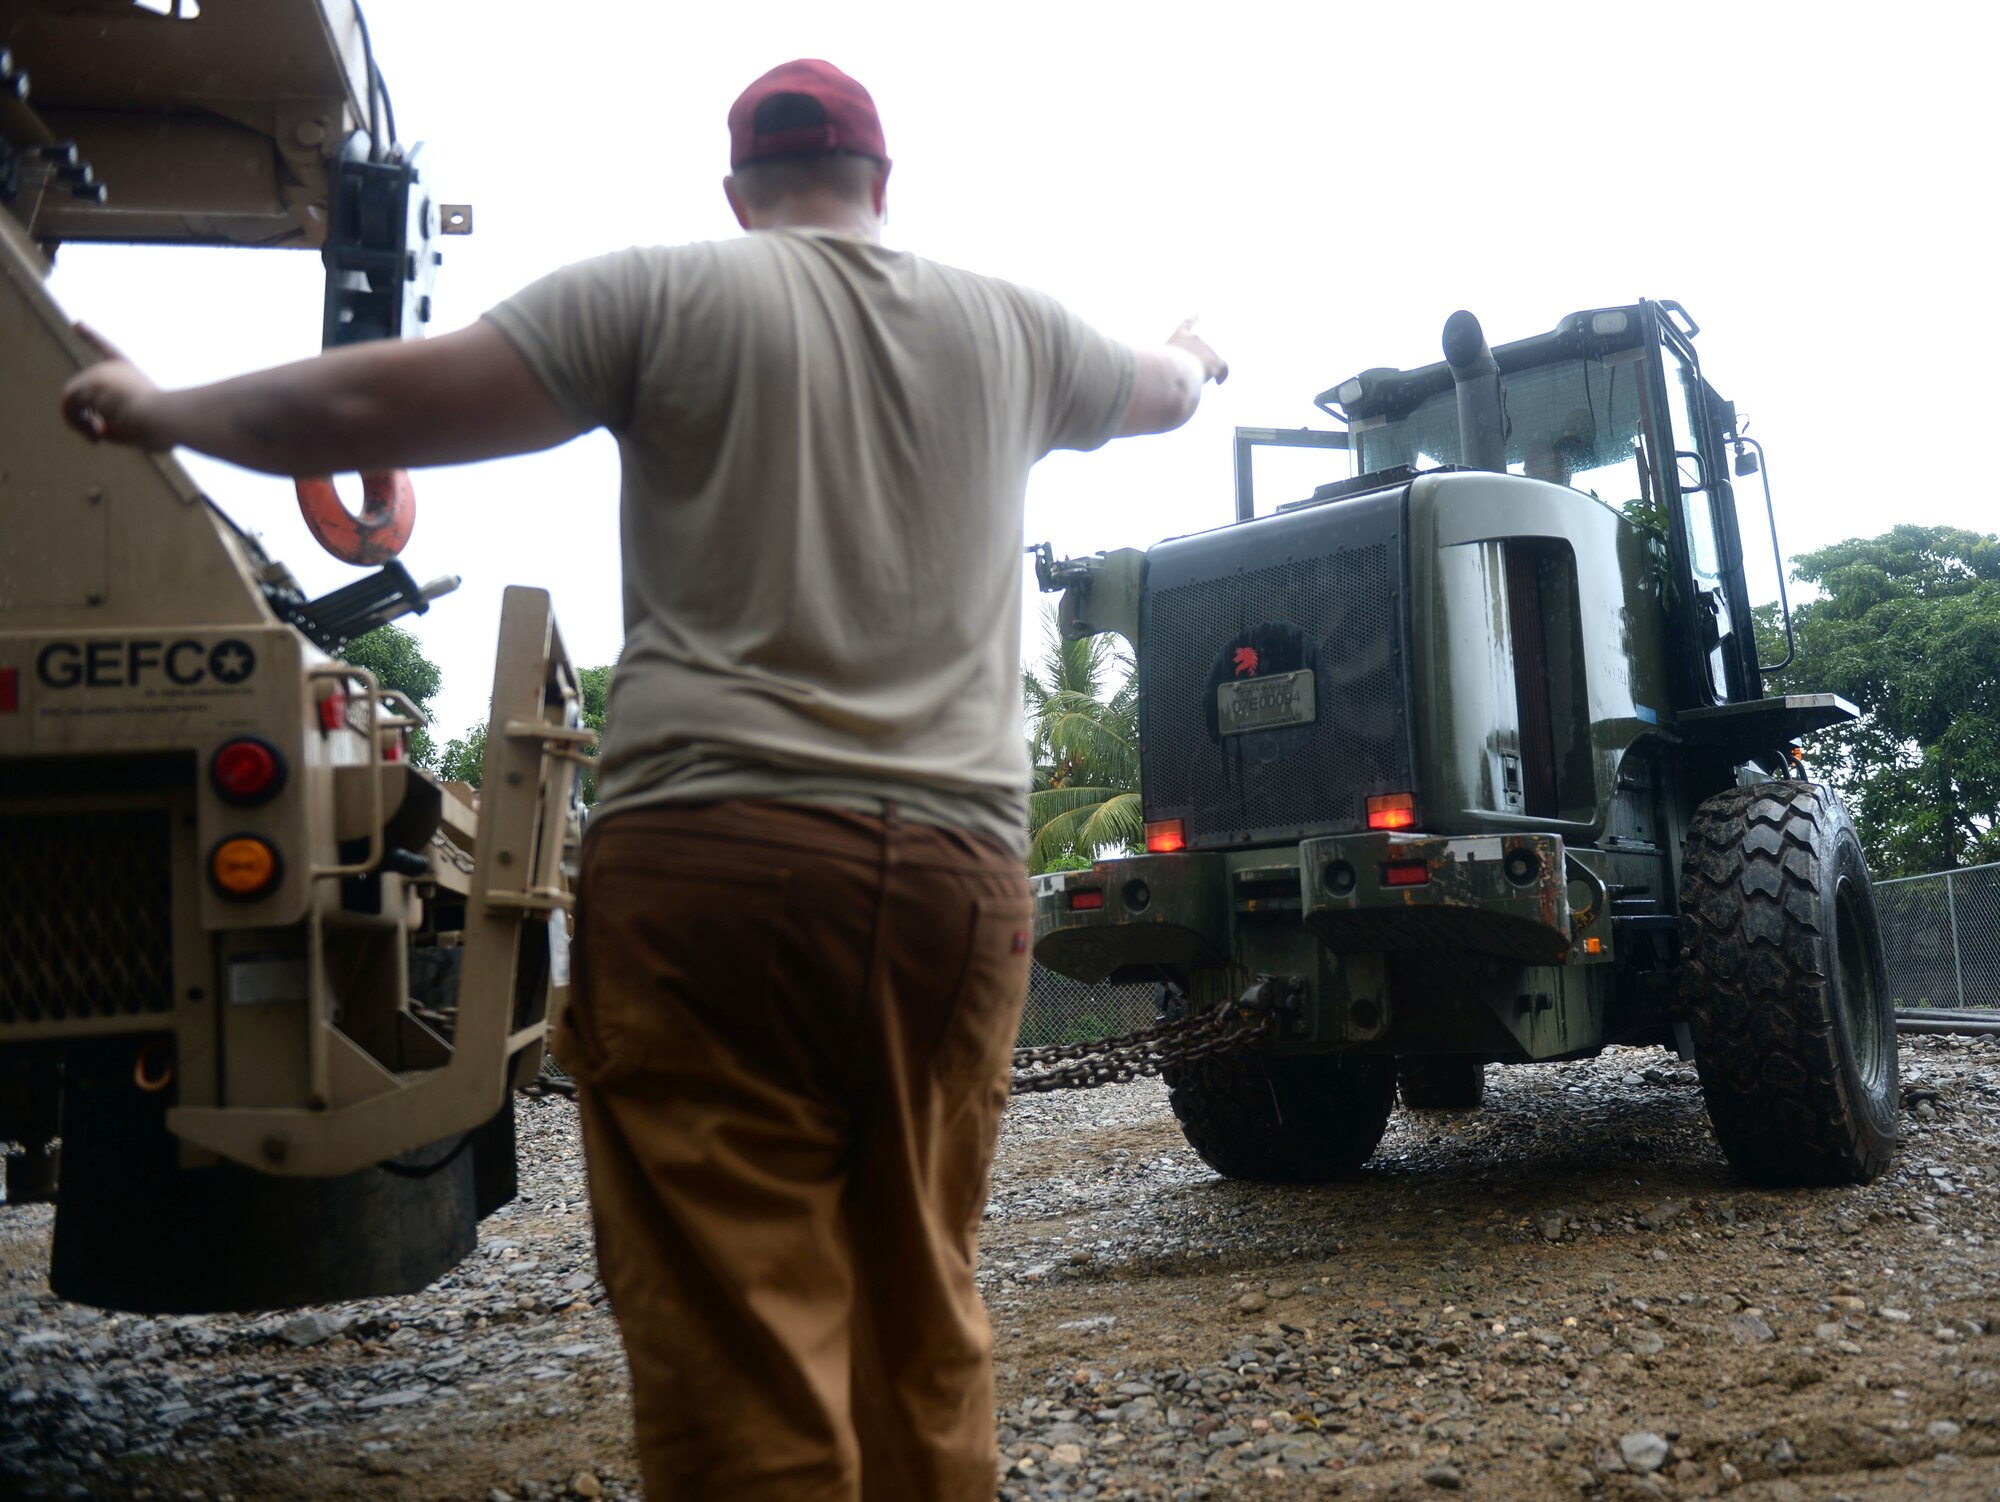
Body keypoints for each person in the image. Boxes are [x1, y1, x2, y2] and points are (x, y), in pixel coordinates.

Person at [60, 58, 1227, 1501]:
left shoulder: (663, 294)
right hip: (950, 877)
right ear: (883, 183)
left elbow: (379, 405)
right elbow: (1167, 390)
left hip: (713, 867)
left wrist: (164, 406)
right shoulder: (1012, 326)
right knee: (924, 1295)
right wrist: (1190, 348)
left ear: (738, 193)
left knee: (743, 1333)